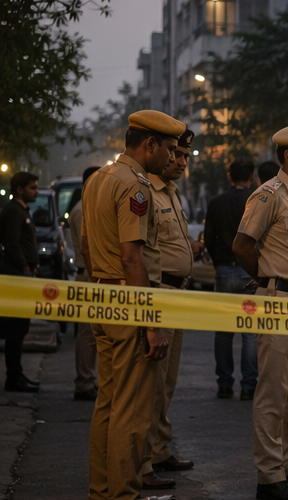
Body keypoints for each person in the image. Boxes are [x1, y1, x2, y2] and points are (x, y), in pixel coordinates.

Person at [81, 109, 181, 500]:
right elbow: (132, 257)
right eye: (169, 149)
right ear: (149, 144)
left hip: (103, 296)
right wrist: (150, 323)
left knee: (108, 402)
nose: (172, 158)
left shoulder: (98, 179)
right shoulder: (135, 186)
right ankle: (123, 492)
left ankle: (102, 488)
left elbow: (87, 248)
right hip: (130, 301)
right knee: (133, 408)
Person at [234, 125, 288, 500]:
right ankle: (269, 476)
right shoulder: (268, 194)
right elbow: (242, 245)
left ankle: (287, 465)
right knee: (273, 391)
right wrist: (266, 278)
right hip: (279, 299)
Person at [137, 129, 201, 490]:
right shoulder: (146, 191)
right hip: (158, 294)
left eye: (185, 156)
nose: (180, 162)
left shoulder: (172, 193)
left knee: (167, 382)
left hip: (177, 294)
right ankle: (143, 462)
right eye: (175, 154)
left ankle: (159, 449)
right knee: (152, 383)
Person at [206, 157, 258, 400]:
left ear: (229, 176)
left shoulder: (216, 202)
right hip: (250, 272)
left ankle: (224, 383)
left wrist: (219, 263)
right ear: (251, 177)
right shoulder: (256, 200)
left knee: (223, 332)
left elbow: (209, 238)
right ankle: (249, 385)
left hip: (224, 271)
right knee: (250, 332)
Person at [1, 171, 41, 393]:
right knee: (16, 328)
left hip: (23, 274)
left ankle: (17, 374)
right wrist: (25, 267)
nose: (36, 191)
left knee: (21, 327)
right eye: (32, 188)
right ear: (19, 189)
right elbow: (12, 243)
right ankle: (13, 378)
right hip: (17, 275)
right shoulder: (13, 211)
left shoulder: (22, 210)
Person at [67, 166, 101, 400]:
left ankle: (89, 379)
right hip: (89, 276)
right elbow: (87, 248)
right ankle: (84, 382)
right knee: (88, 335)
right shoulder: (83, 209)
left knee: (94, 334)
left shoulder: (88, 206)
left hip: (92, 275)